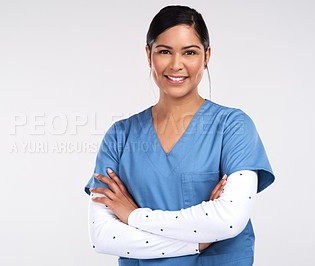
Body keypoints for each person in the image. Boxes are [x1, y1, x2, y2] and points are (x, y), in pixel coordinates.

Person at [83, 5, 275, 266]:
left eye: (190, 52)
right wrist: (199, 239)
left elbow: (229, 220)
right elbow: (103, 237)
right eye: (164, 51)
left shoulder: (233, 127)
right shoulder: (120, 136)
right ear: (149, 55)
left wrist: (134, 216)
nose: (176, 65)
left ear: (206, 56)